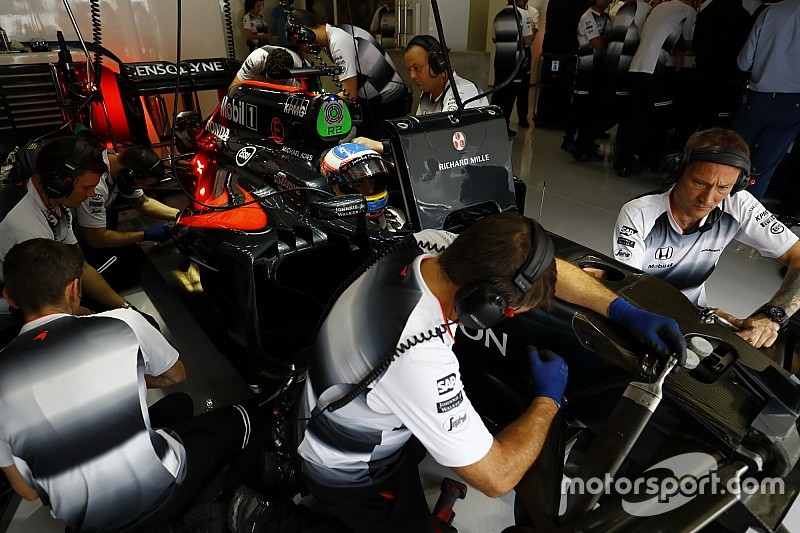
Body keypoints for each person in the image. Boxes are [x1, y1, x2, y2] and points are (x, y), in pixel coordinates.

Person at [229, 213, 687, 532]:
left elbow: (534, 264)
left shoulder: (433, 248)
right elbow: (496, 477)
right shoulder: (418, 355)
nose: (510, 316)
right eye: (510, 311)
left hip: (326, 410)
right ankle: (264, 519)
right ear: (484, 305)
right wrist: (548, 401)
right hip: (350, 469)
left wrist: (621, 307)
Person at [0, 238, 271, 532]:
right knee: (249, 418)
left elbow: (27, 491)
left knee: (178, 406)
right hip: (163, 492)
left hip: (90, 525)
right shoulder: (122, 323)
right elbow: (175, 376)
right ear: (74, 289)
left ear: (10, 298)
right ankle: (227, 512)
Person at [613, 128, 800, 349]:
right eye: (699, 182)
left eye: (723, 187)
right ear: (677, 171)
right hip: (644, 316)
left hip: (696, 318)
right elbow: (628, 291)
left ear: (737, 185)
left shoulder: (738, 203)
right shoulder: (639, 213)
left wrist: (773, 316)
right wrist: (699, 318)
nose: (708, 199)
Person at [0, 137, 133, 314]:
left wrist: (126, 307)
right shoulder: (25, 228)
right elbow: (48, 306)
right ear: (59, 183)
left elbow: (80, 265)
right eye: (86, 188)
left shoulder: (54, 203)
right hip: (19, 308)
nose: (92, 194)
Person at [287, 9, 409, 139]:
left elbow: (350, 94)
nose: (302, 50)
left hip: (387, 102)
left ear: (305, 35)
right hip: (373, 100)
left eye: (299, 44)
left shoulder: (339, 41)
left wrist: (316, 104)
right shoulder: (335, 33)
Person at [76, 146, 181, 291]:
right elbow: (96, 239)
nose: (144, 187)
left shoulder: (119, 165)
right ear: (132, 175)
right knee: (128, 275)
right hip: (76, 239)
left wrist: (180, 215)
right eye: (143, 183)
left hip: (91, 226)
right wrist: (146, 235)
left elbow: (142, 202)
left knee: (135, 255)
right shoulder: (96, 185)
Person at [614, 0, 697, 177]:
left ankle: (624, 161)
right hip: (655, 71)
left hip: (636, 67)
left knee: (634, 117)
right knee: (660, 118)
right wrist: (682, 49)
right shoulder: (688, 10)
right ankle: (650, 159)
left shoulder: (659, 8)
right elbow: (690, 42)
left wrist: (677, 48)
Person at [731, 0, 800, 201]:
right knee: (764, 165)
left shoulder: (771, 11)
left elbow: (743, 62)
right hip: (793, 105)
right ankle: (745, 214)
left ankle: (715, 203)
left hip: (758, 98)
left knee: (733, 153)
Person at [568, 0, 612, 162]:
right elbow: (598, 43)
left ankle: (585, 140)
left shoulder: (608, 18)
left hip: (599, 69)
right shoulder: (587, 17)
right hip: (585, 68)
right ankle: (569, 139)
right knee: (579, 105)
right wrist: (605, 38)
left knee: (592, 106)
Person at [491, 0, 535, 137]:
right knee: (509, 96)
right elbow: (528, 40)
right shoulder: (523, 14)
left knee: (498, 93)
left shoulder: (499, 15)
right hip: (515, 63)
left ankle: (492, 122)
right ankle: (504, 126)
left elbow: (494, 39)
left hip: (500, 60)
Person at [230, 44, 306, 87]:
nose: (272, 86)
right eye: (269, 81)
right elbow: (233, 88)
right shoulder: (257, 59)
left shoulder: (298, 80)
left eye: (279, 84)